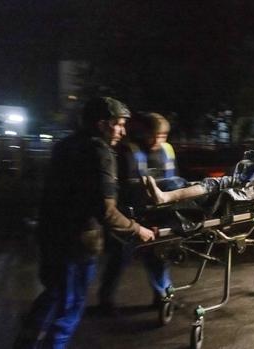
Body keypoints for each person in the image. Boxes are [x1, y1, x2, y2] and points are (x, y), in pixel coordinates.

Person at [14, 97, 155, 349]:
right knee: (69, 309)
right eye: (119, 124)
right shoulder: (100, 152)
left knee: (53, 294)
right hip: (77, 245)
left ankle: (24, 344)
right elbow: (105, 211)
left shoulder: (65, 145)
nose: (123, 132)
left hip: (50, 236)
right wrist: (138, 229)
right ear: (102, 124)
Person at [98, 112, 183, 313]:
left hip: (159, 215)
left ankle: (162, 297)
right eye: (153, 135)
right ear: (143, 133)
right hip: (131, 216)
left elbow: (174, 184)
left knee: (160, 259)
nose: (157, 141)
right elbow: (122, 190)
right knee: (119, 260)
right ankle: (106, 301)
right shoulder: (127, 151)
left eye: (162, 136)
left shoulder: (167, 151)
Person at [141, 146, 254, 205]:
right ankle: (155, 195)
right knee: (202, 183)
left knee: (209, 185)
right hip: (241, 175)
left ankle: (164, 197)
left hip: (243, 182)